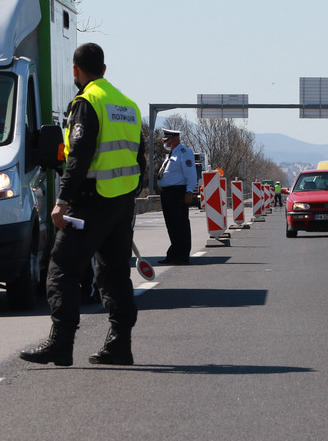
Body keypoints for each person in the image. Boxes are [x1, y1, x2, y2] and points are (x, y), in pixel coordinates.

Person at [20, 42, 145, 367]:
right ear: (104, 69)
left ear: (76, 71)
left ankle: (60, 344)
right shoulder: (127, 105)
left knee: (61, 267)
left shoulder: (88, 101)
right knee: (115, 273)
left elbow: (79, 157)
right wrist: (126, 197)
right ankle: (120, 344)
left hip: (89, 201)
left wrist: (62, 201)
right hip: (121, 202)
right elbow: (140, 159)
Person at [156, 129, 197, 265]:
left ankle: (182, 255)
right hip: (167, 193)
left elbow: (190, 174)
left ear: (173, 139)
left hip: (178, 192)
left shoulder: (184, 153)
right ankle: (173, 254)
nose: (164, 143)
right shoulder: (171, 154)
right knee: (171, 226)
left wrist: (189, 192)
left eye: (166, 140)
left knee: (181, 225)